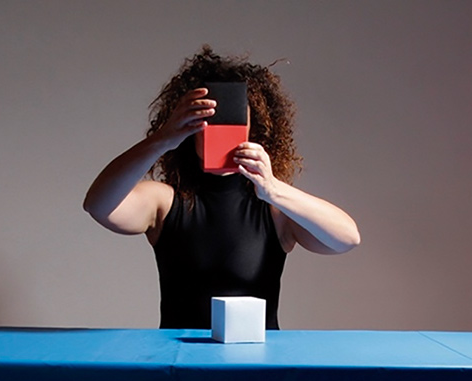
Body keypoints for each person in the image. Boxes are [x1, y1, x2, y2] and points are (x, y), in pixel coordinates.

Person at [83, 46, 360, 329]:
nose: (219, 131)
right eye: (205, 121)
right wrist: (162, 139)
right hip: (180, 355)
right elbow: (98, 205)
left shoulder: (275, 209)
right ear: (189, 127)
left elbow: (347, 238)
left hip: (256, 356)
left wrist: (274, 189)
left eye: (234, 119)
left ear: (253, 128)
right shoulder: (165, 202)